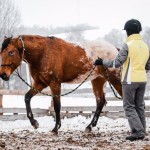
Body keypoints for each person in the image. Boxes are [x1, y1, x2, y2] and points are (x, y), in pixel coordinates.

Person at [94, 19, 150, 141]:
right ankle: (140, 131)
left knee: (129, 106)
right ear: (138, 31)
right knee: (139, 106)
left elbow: (117, 63)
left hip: (129, 80)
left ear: (128, 32)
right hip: (142, 80)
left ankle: (138, 132)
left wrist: (101, 62)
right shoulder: (145, 46)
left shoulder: (128, 45)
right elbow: (148, 66)